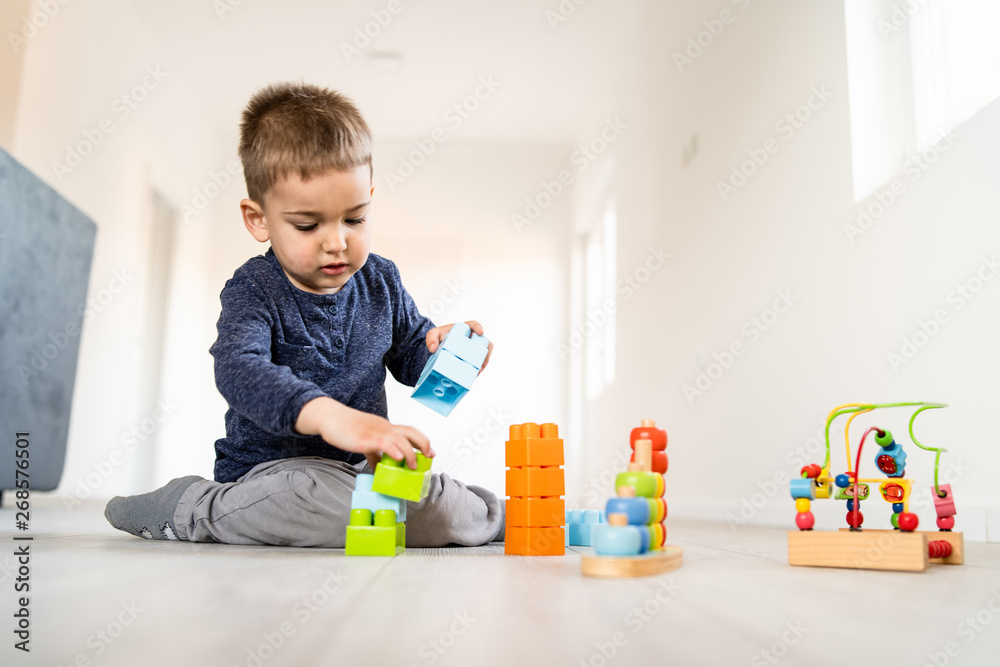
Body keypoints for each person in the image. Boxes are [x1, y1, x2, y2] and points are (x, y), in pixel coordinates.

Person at [104, 83, 503, 548]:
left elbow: (412, 358)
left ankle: (498, 516)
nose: (336, 242)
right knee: (315, 503)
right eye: (308, 225)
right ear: (259, 219)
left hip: (363, 470)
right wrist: (330, 417)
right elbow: (238, 370)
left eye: (354, 219)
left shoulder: (382, 280)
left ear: (370, 199)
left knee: (438, 508)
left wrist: (443, 348)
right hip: (275, 473)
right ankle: (187, 506)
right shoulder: (254, 288)